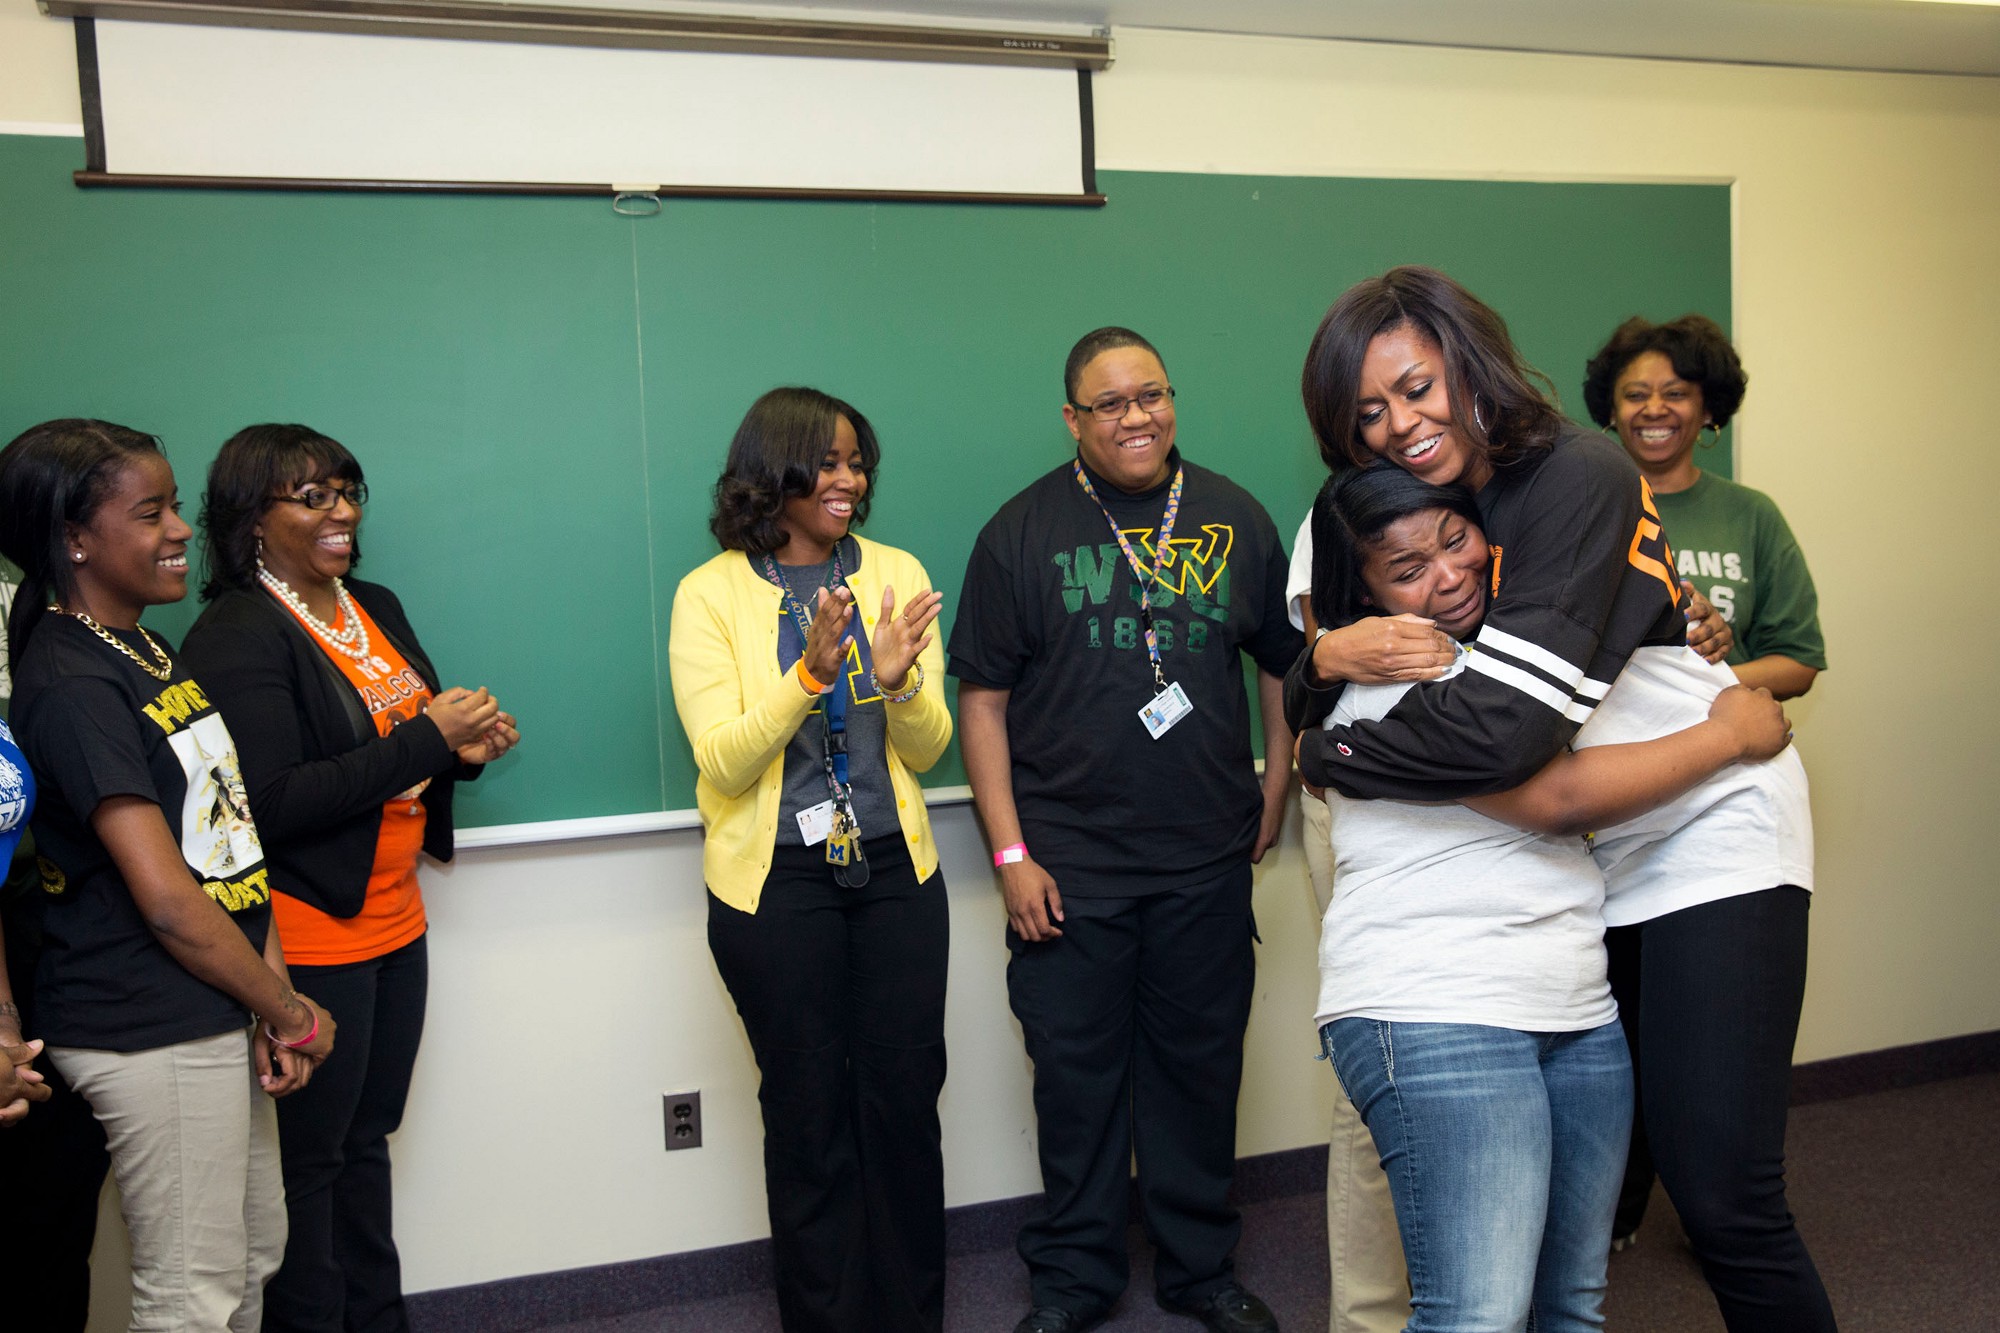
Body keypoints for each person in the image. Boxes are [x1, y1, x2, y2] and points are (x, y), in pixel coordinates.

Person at [1288, 269, 1837, 1332]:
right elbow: (1353, 669)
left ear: (1466, 361)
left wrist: (1335, 749)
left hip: (1710, 821)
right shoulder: (1447, 502)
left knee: (1721, 1193)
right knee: (1615, 1203)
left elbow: (1503, 741)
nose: (1399, 425)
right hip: (1599, 855)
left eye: (1415, 388)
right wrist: (1320, 665)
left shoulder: (1573, 472)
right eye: (1368, 412)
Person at [950, 327, 1302, 1333]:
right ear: (1071, 418)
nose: (1135, 416)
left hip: (1201, 859)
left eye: (1149, 394)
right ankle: (1073, 1281)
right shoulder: (1019, 532)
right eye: (1108, 403)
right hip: (1066, 871)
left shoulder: (1233, 515)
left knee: (1199, 1075)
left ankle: (1198, 1270)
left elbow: (1279, 660)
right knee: (1074, 1085)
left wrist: (1276, 777)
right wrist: (1011, 855)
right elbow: (982, 704)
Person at [179, 423, 517, 1333]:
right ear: (253, 519)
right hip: (310, 934)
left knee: (366, 1144)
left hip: (397, 923)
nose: (344, 511)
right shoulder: (237, 632)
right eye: (314, 496)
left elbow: (403, 754)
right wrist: (426, 739)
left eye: (348, 489)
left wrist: (463, 753)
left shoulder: (373, 602)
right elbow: (275, 801)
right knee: (311, 1168)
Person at [0, 418, 336, 1332]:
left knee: (250, 1255)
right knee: (192, 1296)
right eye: (151, 513)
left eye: (177, 504)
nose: (182, 529)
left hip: (215, 1004)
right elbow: (166, 896)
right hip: (144, 1019)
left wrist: (270, 996)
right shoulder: (72, 680)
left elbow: (228, 847)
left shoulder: (144, 646)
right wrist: (288, 1009)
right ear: (75, 538)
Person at [668, 386, 952, 1333]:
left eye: (855, 461)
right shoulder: (710, 593)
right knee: (808, 1115)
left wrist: (899, 679)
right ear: (772, 472)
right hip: (775, 887)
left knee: (904, 1106)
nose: (847, 479)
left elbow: (927, 746)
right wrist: (812, 677)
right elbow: (724, 757)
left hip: (894, 876)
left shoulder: (897, 571)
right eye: (825, 462)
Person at [1281, 510, 1408, 1333]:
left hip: (1498, 813)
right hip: (1365, 801)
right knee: (1383, 1058)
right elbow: (1319, 669)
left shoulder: (1525, 495)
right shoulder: (1335, 518)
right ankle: (1368, 1321)